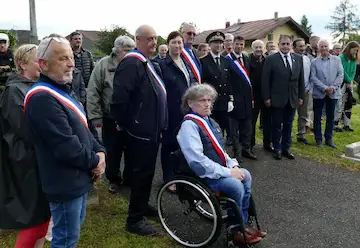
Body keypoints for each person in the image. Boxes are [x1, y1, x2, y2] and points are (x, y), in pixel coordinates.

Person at [24, 36, 106, 248]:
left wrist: (100, 151)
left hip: (76, 179)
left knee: (71, 236)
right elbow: (65, 146)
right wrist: (95, 162)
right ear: (43, 64)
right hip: (64, 182)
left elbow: (84, 128)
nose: (71, 63)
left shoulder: (62, 91)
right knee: (65, 240)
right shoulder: (42, 98)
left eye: (71, 57)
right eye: (63, 58)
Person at [177, 84, 265, 246]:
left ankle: (241, 223)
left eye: (209, 100)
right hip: (200, 175)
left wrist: (233, 165)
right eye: (202, 100)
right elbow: (198, 161)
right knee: (235, 186)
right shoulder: (189, 126)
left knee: (246, 175)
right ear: (190, 103)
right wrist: (227, 173)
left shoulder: (210, 122)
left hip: (216, 169)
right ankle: (235, 230)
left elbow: (220, 151)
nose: (207, 104)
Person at [111, 25, 167, 236]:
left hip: (150, 130)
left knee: (147, 173)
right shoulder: (132, 63)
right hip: (140, 131)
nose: (154, 42)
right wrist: (129, 124)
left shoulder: (145, 62)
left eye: (155, 38)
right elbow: (118, 101)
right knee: (141, 174)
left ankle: (141, 206)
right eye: (149, 39)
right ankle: (134, 220)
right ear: (138, 40)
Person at [0, 44, 51, 248]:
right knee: (34, 218)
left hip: (37, 159)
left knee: (42, 217)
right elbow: (26, 129)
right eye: (37, 60)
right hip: (25, 163)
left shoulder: (34, 86)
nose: (42, 64)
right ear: (22, 64)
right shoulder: (14, 91)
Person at [87, 35, 135, 193]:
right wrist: (95, 116)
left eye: (132, 50)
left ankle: (129, 178)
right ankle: (114, 179)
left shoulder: (135, 63)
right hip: (111, 118)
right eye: (126, 50)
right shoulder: (103, 65)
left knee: (131, 150)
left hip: (131, 118)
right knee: (113, 151)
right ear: (117, 50)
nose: (130, 54)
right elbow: (93, 91)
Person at [159, 31, 198, 192]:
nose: (177, 45)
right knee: (169, 145)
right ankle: (168, 178)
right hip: (170, 110)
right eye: (174, 42)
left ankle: (180, 175)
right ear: (168, 45)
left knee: (182, 145)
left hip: (186, 111)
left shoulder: (186, 63)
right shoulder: (161, 64)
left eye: (180, 42)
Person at [262, 35, 305, 160]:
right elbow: (266, 80)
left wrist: (301, 96)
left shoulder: (298, 58)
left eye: (288, 44)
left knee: (288, 125)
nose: (285, 46)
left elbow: (300, 80)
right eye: (283, 44)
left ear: (291, 45)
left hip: (292, 99)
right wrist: (267, 98)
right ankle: (277, 149)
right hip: (276, 99)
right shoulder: (271, 59)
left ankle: (286, 148)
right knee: (276, 125)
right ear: (279, 45)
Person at [200, 31, 233, 146]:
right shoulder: (203, 61)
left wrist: (230, 99)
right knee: (210, 132)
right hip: (210, 104)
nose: (218, 45)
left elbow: (228, 81)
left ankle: (221, 153)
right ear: (210, 44)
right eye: (215, 43)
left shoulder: (226, 61)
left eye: (220, 43)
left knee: (222, 131)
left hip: (224, 103)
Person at [311, 39, 344, 148]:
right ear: (318, 48)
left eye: (325, 46)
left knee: (330, 116)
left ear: (328, 47)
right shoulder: (314, 62)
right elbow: (313, 77)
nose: (324, 48)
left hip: (333, 93)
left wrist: (333, 88)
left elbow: (340, 75)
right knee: (317, 116)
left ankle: (329, 138)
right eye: (322, 46)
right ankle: (318, 138)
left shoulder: (337, 60)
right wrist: (325, 88)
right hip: (319, 93)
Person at [249, 40, 273, 152]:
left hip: (266, 96)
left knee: (268, 121)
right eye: (256, 47)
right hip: (253, 96)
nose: (258, 49)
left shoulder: (267, 60)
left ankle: (267, 144)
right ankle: (250, 144)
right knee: (252, 122)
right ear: (252, 49)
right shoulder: (248, 60)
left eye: (260, 47)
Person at [334, 41, 359, 132]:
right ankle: (335, 124)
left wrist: (351, 81)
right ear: (349, 48)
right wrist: (349, 81)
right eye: (354, 50)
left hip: (349, 83)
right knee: (339, 104)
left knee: (348, 104)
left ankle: (346, 124)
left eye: (357, 51)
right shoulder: (340, 58)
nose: (355, 52)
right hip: (341, 83)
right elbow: (342, 71)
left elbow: (353, 71)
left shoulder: (353, 59)